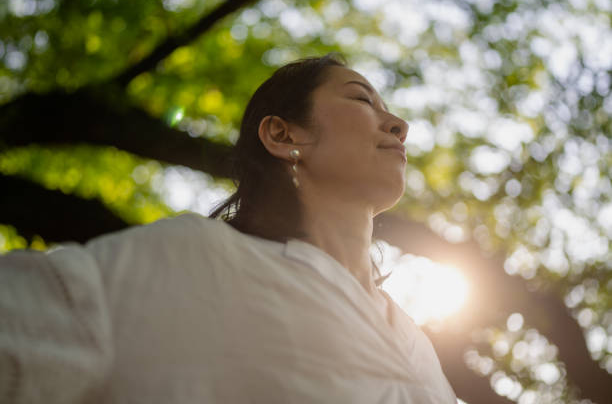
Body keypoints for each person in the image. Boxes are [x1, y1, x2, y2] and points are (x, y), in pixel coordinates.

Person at [0, 54, 457, 403]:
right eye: (361, 99)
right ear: (283, 136)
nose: (399, 125)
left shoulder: (420, 348)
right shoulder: (190, 261)